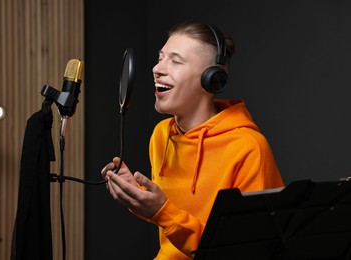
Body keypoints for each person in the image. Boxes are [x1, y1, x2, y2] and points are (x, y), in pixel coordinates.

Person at [101, 20, 284, 259]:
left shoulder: (249, 148)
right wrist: (136, 194)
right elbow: (172, 216)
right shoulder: (161, 135)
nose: (157, 68)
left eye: (175, 61)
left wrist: (162, 212)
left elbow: (244, 252)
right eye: (160, 57)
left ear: (212, 79)